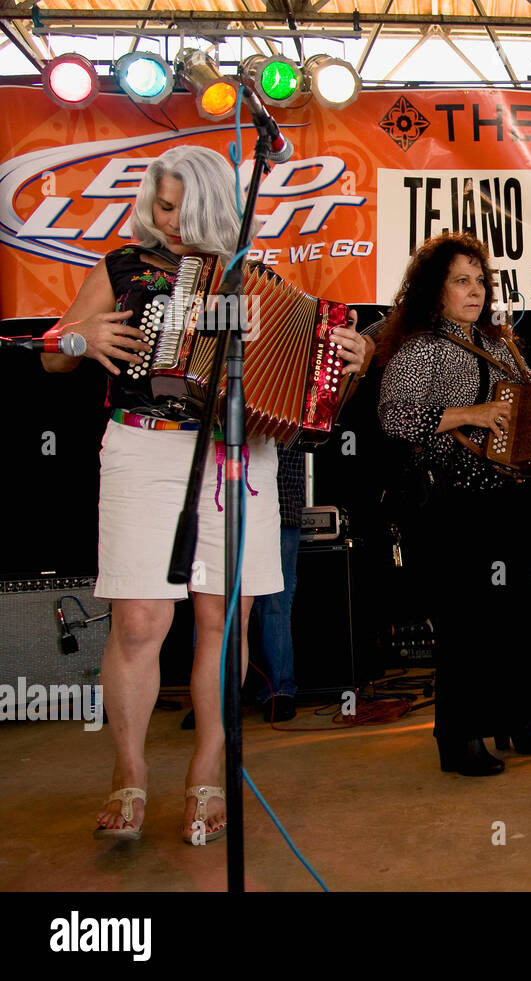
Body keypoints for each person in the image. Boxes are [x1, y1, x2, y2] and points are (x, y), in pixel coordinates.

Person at [41, 144, 372, 842]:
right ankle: (128, 775)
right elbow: (52, 349)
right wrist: (81, 336)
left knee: (225, 626)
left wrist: (352, 360)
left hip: (236, 456)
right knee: (138, 623)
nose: (174, 223)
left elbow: (313, 403)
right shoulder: (122, 266)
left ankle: (207, 772)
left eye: (187, 211)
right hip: (143, 443)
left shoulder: (255, 281)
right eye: (163, 208)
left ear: (218, 210)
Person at [376, 231, 531, 777]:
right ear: (436, 289)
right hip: (453, 504)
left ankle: (515, 720)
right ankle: (460, 738)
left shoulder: (502, 345)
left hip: (508, 499)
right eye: (461, 281)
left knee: (514, 614)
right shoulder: (421, 347)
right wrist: (469, 414)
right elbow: (395, 419)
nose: (474, 291)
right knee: (467, 622)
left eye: (479, 281)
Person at [252, 445, 305, 723]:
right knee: (214, 601)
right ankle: (213, 694)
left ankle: (280, 690)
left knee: (275, 600)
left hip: (281, 502)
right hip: (222, 501)